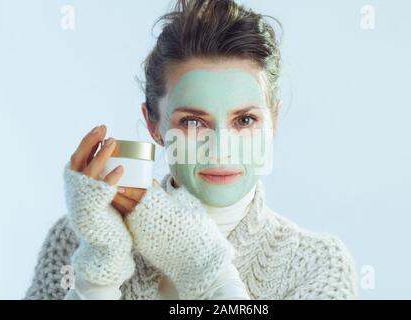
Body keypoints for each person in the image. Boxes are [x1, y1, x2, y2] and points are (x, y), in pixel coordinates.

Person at [25, 0, 357, 300]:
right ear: (154, 124)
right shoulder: (76, 240)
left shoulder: (318, 262)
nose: (221, 150)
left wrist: (202, 263)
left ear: (273, 122)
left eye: (245, 119)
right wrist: (96, 280)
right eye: (193, 123)